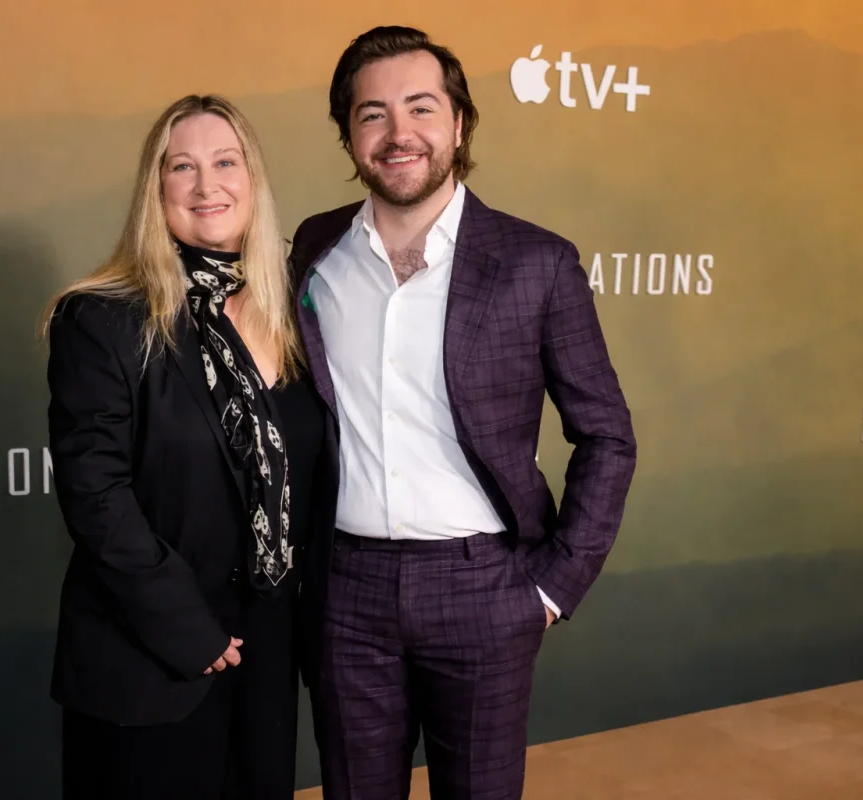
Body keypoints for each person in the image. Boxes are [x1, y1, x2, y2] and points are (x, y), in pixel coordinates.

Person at [289, 26, 637, 799]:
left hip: (485, 587)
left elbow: (608, 435)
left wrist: (552, 587)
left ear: (459, 123)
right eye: (372, 114)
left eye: (420, 107)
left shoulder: (536, 262)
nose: (398, 133)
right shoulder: (313, 251)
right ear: (349, 136)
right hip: (346, 591)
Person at [41, 94, 334, 799]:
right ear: (156, 189)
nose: (208, 186)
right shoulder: (103, 318)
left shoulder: (295, 313)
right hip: (151, 656)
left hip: (268, 652)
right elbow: (96, 497)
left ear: (253, 180)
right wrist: (188, 632)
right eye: (183, 167)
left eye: (226, 162)